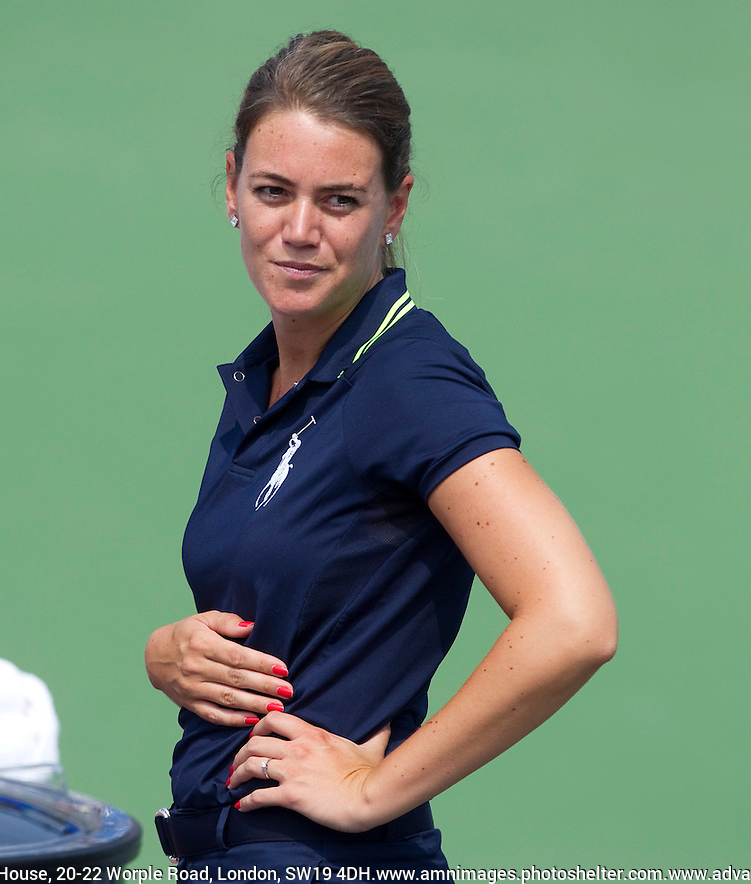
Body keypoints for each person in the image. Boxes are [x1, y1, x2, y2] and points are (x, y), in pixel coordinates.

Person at [145, 30, 617, 874]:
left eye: (338, 201)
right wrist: (169, 655)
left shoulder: (408, 377)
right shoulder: (270, 378)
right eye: (272, 191)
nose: (297, 230)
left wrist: (374, 788)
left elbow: (574, 621)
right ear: (230, 189)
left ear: (393, 209)